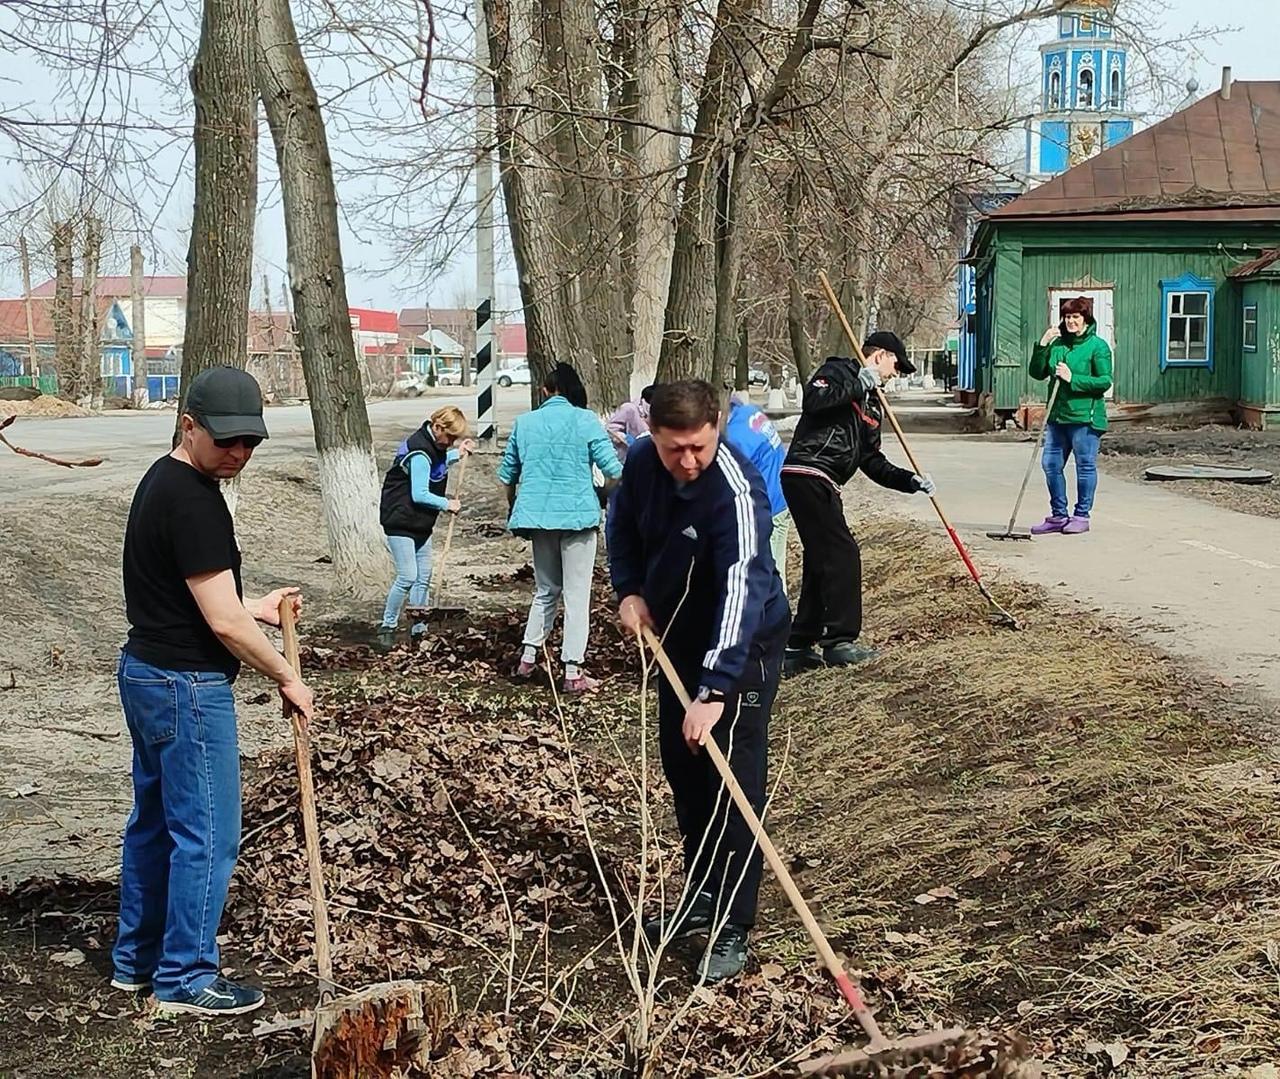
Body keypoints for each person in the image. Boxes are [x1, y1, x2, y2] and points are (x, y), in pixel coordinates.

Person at [113, 366, 315, 1016]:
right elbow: (220, 622)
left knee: (153, 827)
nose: (239, 454)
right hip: (186, 689)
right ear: (189, 425)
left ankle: (135, 964)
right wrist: (287, 675)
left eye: (250, 443)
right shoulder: (195, 500)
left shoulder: (164, 480)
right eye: (226, 440)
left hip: (146, 671)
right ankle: (185, 978)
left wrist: (257, 604)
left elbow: (207, 598)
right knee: (207, 832)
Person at [607, 379, 790, 984]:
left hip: (744, 645)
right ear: (652, 435)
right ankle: (700, 899)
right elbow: (624, 529)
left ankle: (733, 923)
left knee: (732, 778)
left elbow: (743, 587)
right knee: (684, 770)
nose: (687, 461)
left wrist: (714, 691)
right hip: (677, 639)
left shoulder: (735, 491)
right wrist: (628, 589)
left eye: (699, 447)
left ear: (717, 427)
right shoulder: (640, 463)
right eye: (673, 448)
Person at [780, 331, 934, 677]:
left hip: (825, 480)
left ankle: (798, 646)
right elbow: (814, 402)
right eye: (895, 364)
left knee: (822, 559)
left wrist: (909, 481)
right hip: (807, 470)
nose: (895, 374)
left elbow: (871, 461)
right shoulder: (838, 373)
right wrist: (857, 383)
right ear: (879, 355)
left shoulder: (872, 404)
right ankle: (839, 642)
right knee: (842, 552)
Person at [499, 362, 623, 692]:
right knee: (577, 594)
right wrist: (601, 496)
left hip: (538, 518)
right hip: (578, 518)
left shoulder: (524, 423)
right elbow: (613, 470)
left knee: (546, 589)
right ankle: (572, 670)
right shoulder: (586, 420)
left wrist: (515, 505)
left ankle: (527, 658)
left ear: (544, 391)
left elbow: (507, 476)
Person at [377, 405, 474, 647]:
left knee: (424, 577)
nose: (451, 442)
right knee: (408, 576)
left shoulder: (434, 445)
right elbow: (419, 493)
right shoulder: (419, 451)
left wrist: (457, 454)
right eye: (450, 438)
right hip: (400, 520)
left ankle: (419, 629)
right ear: (438, 428)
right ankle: (387, 626)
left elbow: (436, 467)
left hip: (419, 522)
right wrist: (447, 503)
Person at [1028, 296, 1113, 535]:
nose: (1071, 321)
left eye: (1076, 317)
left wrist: (1072, 378)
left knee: (1085, 466)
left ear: (1085, 319)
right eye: (1067, 317)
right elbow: (1037, 372)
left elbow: (1104, 381)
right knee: (1050, 465)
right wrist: (1043, 345)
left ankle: (1081, 516)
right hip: (1057, 417)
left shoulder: (1097, 346)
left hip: (1085, 418)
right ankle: (1058, 515)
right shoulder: (1058, 345)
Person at [724, 392, 791, 592]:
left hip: (768, 508)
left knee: (770, 573)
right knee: (775, 566)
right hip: (781, 496)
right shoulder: (749, 412)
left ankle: (779, 618)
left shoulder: (736, 438)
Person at [605, 384, 655, 465]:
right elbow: (610, 430)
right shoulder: (630, 409)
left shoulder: (661, 412)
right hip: (627, 459)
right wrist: (626, 439)